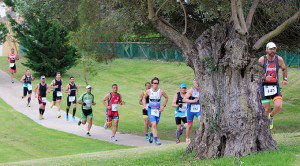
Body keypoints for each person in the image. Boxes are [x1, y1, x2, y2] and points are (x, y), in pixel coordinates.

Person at [258, 42, 287, 130]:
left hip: (275, 86)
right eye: (270, 49)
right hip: (263, 86)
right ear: (266, 49)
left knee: (278, 106)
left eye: (274, 49)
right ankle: (266, 129)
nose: (272, 51)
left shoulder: (279, 59)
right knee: (266, 109)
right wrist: (264, 77)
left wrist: (285, 79)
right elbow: (255, 73)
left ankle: (271, 117)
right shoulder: (262, 60)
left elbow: (284, 68)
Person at [143, 77, 168, 146]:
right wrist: (144, 105)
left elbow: (166, 98)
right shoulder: (148, 91)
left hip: (158, 111)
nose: (156, 85)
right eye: (154, 83)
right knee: (153, 124)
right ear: (152, 84)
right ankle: (156, 141)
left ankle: (151, 134)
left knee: (155, 126)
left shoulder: (161, 91)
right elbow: (144, 98)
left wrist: (163, 106)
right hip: (150, 110)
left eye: (157, 83)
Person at [183, 79, 201, 143]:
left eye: (198, 83)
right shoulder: (191, 90)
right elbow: (184, 99)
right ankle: (187, 138)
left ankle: (200, 135)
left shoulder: (202, 89)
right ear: (194, 84)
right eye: (196, 83)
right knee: (189, 125)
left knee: (201, 121)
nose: (198, 85)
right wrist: (192, 101)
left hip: (198, 109)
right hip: (190, 109)